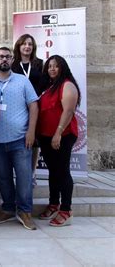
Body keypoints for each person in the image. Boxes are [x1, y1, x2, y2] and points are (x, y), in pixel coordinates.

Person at [0, 45, 39, 230]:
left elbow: (33, 106)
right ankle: (8, 208)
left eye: (7, 56)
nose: (4, 60)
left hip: (20, 140)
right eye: (0, 57)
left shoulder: (23, 81)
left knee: (24, 178)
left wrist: (31, 132)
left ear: (12, 60)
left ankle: (25, 211)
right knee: (4, 178)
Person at [37, 55, 80, 227]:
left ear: (62, 68)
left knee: (62, 171)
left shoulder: (67, 85)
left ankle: (66, 209)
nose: (52, 69)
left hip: (62, 135)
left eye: (56, 66)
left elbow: (68, 111)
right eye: (49, 66)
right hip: (46, 135)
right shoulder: (49, 86)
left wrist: (58, 133)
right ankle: (54, 203)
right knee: (53, 171)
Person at [12, 34, 44, 186]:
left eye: (30, 44)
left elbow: (44, 84)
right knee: (17, 139)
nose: (27, 47)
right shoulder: (13, 64)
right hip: (17, 107)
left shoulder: (39, 64)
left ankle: (32, 173)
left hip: (35, 106)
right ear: (19, 46)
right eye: (24, 44)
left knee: (34, 140)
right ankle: (16, 172)